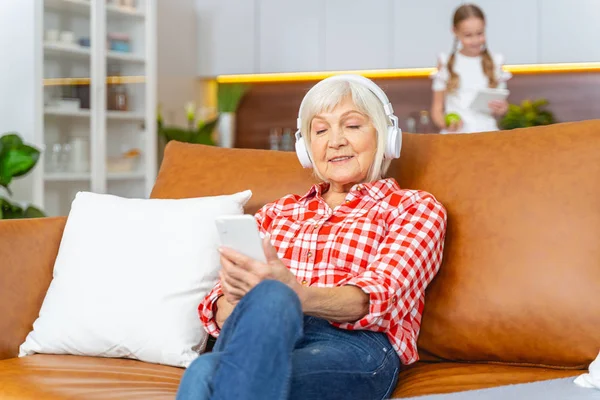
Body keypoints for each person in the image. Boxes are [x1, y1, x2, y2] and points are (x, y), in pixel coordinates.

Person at [176, 74, 447, 400]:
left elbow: (376, 297)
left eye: (352, 125)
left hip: (349, 345)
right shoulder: (276, 213)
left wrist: (294, 295)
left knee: (208, 372)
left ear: (386, 137)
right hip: (257, 335)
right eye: (320, 131)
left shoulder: (413, 208)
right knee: (217, 356)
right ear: (306, 148)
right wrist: (235, 297)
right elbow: (216, 311)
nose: (335, 141)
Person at [430, 3, 512, 134]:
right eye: (468, 35)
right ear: (455, 31)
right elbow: (436, 110)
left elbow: (502, 106)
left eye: (479, 33)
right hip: (456, 136)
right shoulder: (445, 63)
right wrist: (446, 123)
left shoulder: (496, 62)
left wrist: (502, 109)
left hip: (487, 133)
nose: (475, 40)